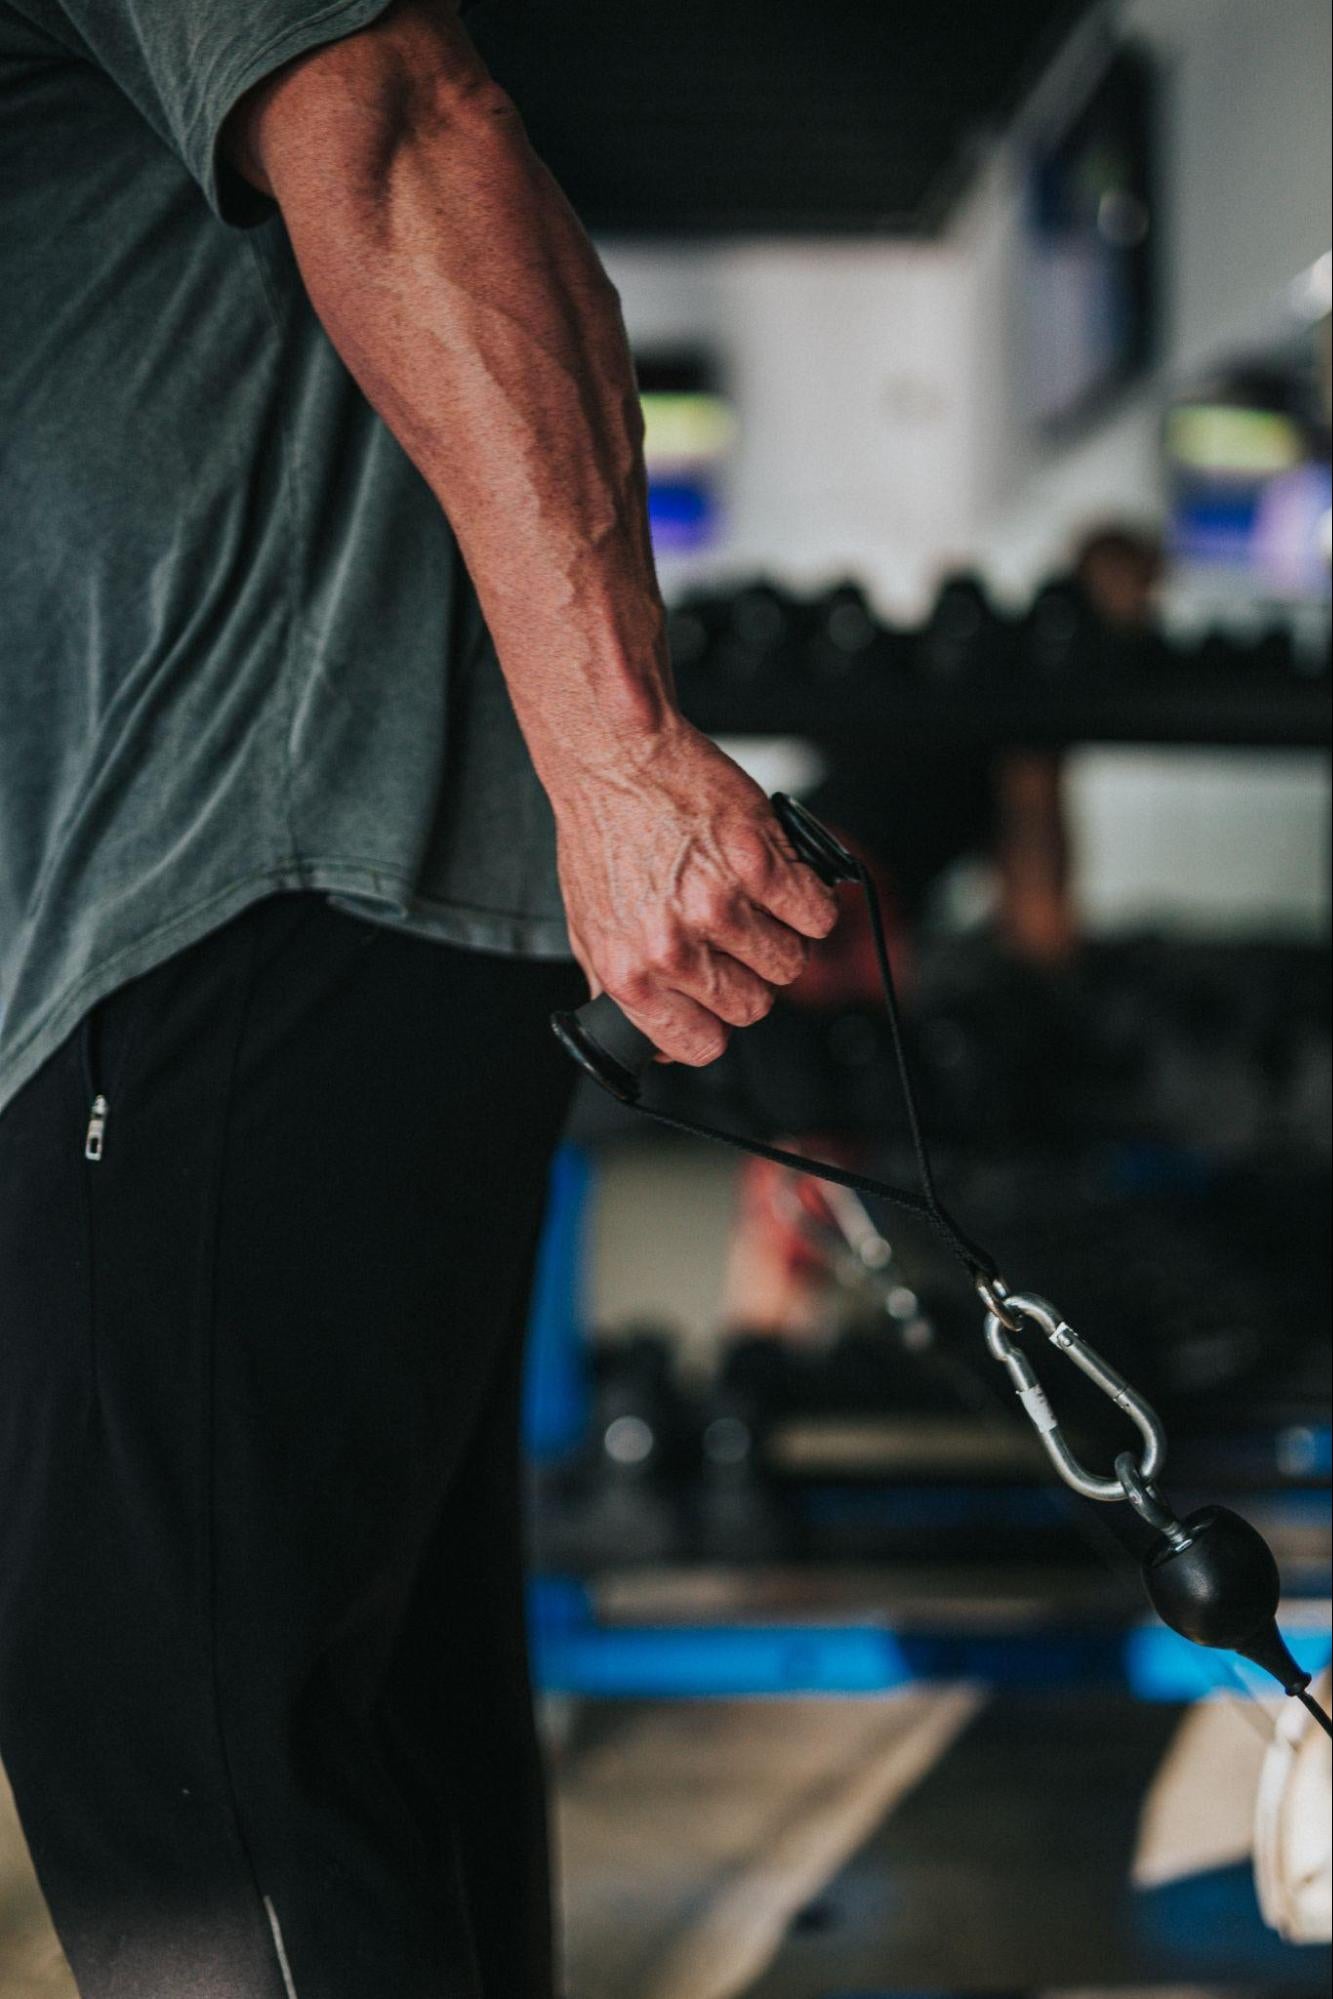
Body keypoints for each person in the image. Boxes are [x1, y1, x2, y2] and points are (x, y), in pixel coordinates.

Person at [0, 4, 837, 1995]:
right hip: (257, 905)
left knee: (198, 1758)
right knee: (361, 1750)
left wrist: (613, 747)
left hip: (233, 875)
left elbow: (399, 124)